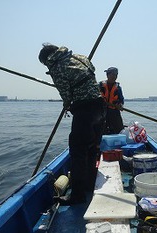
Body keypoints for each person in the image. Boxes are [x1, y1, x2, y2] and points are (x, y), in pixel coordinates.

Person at [38, 43, 106, 205]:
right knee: (91, 149)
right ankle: (90, 184)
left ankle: (77, 196)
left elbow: (66, 94)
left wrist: (67, 104)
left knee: (78, 152)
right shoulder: (80, 57)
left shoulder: (56, 67)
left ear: (47, 59)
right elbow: (92, 71)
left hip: (85, 110)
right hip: (100, 107)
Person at [99, 67, 124, 134]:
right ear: (107, 75)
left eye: (116, 75)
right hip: (102, 111)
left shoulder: (118, 88)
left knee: (119, 129)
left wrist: (120, 105)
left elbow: (121, 99)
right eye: (112, 74)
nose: (114, 77)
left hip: (114, 111)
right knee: (101, 129)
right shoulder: (100, 85)